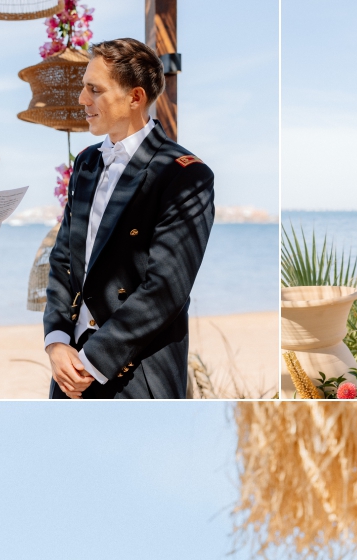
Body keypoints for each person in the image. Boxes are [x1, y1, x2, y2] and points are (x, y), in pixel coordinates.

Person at [43, 38, 215, 399]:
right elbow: (63, 259)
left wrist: (92, 361)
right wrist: (57, 340)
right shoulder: (86, 163)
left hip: (137, 375)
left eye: (95, 90)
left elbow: (166, 289)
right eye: (83, 87)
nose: (82, 99)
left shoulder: (185, 175)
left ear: (135, 98)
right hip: (69, 369)